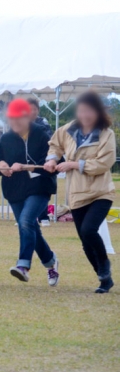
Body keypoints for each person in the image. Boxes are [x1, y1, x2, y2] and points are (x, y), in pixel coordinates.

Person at [44, 91, 116, 294]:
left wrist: (73, 164)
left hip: (100, 192)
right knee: (85, 242)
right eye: (82, 110)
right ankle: (104, 279)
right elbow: (55, 144)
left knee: (88, 230)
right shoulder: (68, 130)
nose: (85, 115)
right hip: (76, 194)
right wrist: (51, 159)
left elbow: (104, 163)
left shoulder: (106, 134)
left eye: (89, 110)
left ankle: (104, 264)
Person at [0, 99, 59, 286]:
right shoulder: (6, 138)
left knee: (26, 221)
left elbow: (53, 163)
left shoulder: (42, 135)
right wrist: (1, 165)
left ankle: (23, 266)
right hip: (14, 189)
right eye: (12, 119)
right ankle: (51, 262)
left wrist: (26, 167)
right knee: (29, 228)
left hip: (39, 187)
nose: (15, 123)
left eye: (19, 118)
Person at [26, 98, 54, 225]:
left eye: (35, 109)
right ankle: (25, 215)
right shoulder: (19, 124)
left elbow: (49, 140)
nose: (32, 112)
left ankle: (43, 216)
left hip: (40, 162)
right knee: (26, 190)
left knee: (41, 189)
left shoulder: (43, 123)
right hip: (24, 164)